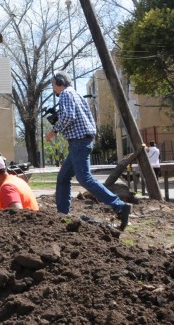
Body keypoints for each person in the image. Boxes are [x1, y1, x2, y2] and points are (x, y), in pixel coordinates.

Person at [45, 71, 131, 230]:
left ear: (59, 82)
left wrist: (54, 131)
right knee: (63, 177)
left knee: (84, 178)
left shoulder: (65, 94)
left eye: (52, 84)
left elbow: (69, 116)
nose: (52, 88)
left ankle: (119, 205)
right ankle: (62, 214)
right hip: (82, 141)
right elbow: (79, 118)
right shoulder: (76, 95)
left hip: (78, 142)